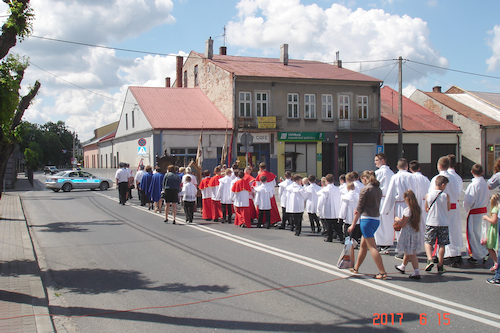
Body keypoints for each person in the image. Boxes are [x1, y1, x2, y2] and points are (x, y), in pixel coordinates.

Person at [348, 170, 387, 279]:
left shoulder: (365, 190)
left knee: (372, 247)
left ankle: (382, 272)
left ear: (365, 178)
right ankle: (356, 268)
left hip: (366, 219)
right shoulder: (378, 189)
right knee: (363, 246)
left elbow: (359, 209)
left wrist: (353, 224)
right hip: (376, 219)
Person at [428, 156, 460, 267]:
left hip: (442, 208)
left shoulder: (437, 178)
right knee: (453, 231)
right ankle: (455, 253)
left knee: (442, 232)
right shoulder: (455, 178)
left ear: (440, 166)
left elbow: (432, 194)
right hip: (453, 207)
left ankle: (444, 255)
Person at [381, 158, 415, 254]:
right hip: (411, 204)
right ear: (407, 167)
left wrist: (385, 209)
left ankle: (401, 250)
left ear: (397, 167)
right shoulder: (411, 176)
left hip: (400, 203)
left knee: (400, 225)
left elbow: (390, 193)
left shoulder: (395, 177)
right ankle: (410, 247)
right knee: (410, 226)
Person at [424, 175, 451, 273]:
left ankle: (430, 259)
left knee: (428, 241)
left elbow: (426, 208)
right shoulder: (446, 196)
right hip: (443, 222)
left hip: (431, 221)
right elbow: (448, 208)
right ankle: (440, 265)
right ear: (443, 184)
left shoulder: (428, 195)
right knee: (442, 244)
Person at [463, 164, 489, 263]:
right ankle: (482, 252)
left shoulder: (473, 185)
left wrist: (467, 208)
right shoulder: (485, 184)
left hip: (475, 212)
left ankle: (478, 254)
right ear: (482, 172)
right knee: (482, 233)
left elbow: (469, 200)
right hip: (483, 211)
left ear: (472, 172)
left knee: (473, 235)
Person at [394, 190, 422, 279]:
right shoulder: (417, 209)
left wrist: (398, 219)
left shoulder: (407, 210)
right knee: (408, 251)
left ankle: (416, 272)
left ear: (407, 199)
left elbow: (403, 224)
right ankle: (402, 266)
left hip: (408, 232)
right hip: (415, 231)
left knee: (412, 253)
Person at [374, 153, 395, 253]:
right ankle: (387, 243)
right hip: (390, 199)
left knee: (381, 222)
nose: (375, 162)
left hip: (381, 199)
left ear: (383, 161)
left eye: (376, 160)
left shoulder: (379, 173)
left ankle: (382, 244)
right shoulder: (391, 172)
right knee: (388, 222)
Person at [445, 154, 464, 264]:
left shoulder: (445, 177)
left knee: (448, 230)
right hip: (455, 206)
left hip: (446, 207)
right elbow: (460, 192)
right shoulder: (457, 177)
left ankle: (451, 254)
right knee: (455, 230)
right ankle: (456, 252)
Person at [410, 160, 430, 250]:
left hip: (414, 203)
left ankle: (415, 246)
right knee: (424, 225)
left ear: (410, 169)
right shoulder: (425, 179)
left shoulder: (410, 178)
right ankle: (425, 245)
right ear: (419, 168)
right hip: (424, 203)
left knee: (414, 225)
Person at [317, 174, 341, 242]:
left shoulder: (325, 190)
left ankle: (329, 237)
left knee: (329, 225)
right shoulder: (337, 189)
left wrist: (319, 207)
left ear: (326, 181)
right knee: (336, 224)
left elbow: (322, 199)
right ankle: (341, 237)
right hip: (336, 209)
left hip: (328, 209)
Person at [483, 193, 499, 271]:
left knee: (490, 246)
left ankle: (496, 262)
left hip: (494, 230)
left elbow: (494, 221)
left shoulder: (495, 209)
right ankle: (496, 262)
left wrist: (486, 218)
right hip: (495, 229)